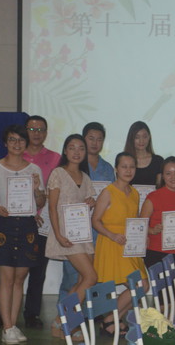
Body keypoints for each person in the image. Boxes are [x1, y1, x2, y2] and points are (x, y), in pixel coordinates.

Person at [0, 125, 45, 344]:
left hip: (27, 226)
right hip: (4, 225)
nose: (17, 144)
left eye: (21, 140)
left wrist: (37, 188)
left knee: (20, 278)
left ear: (26, 143)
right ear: (5, 143)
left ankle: (12, 324)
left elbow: (41, 202)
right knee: (6, 278)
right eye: (12, 140)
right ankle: (6, 327)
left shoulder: (34, 169)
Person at [45, 134, 97, 340]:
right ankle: (62, 321)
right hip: (66, 235)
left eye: (81, 148)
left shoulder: (85, 177)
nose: (77, 152)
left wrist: (91, 203)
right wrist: (58, 234)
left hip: (83, 235)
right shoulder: (58, 173)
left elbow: (86, 203)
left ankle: (63, 324)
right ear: (65, 151)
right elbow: (52, 207)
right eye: (72, 147)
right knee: (91, 277)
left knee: (81, 280)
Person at [92, 152, 149, 337]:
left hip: (130, 246)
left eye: (132, 167)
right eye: (124, 167)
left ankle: (112, 320)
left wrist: (142, 236)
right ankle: (110, 320)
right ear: (116, 169)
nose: (128, 170)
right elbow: (95, 220)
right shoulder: (108, 192)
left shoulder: (134, 193)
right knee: (139, 285)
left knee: (142, 286)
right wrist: (112, 235)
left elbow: (135, 221)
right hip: (112, 244)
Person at [59, 122, 115, 300]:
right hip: (76, 229)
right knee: (72, 276)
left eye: (99, 139)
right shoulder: (74, 166)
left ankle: (89, 312)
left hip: (99, 230)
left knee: (94, 276)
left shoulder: (108, 168)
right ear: (84, 139)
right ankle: (65, 313)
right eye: (91, 138)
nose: (95, 143)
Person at [21, 115, 60, 330]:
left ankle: (32, 314)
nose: (36, 133)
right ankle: (2, 315)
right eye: (32, 129)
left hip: (43, 222)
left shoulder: (55, 158)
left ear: (46, 133)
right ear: (25, 131)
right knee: (13, 272)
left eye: (41, 129)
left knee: (38, 271)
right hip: (19, 221)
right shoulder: (16, 154)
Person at [140, 156, 175, 273]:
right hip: (155, 253)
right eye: (168, 173)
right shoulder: (153, 197)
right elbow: (140, 225)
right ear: (163, 176)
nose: (173, 177)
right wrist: (152, 230)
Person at [124, 121, 163, 187]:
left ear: (149, 137)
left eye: (145, 137)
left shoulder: (158, 160)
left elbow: (160, 186)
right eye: (137, 137)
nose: (141, 141)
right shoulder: (124, 161)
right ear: (131, 139)